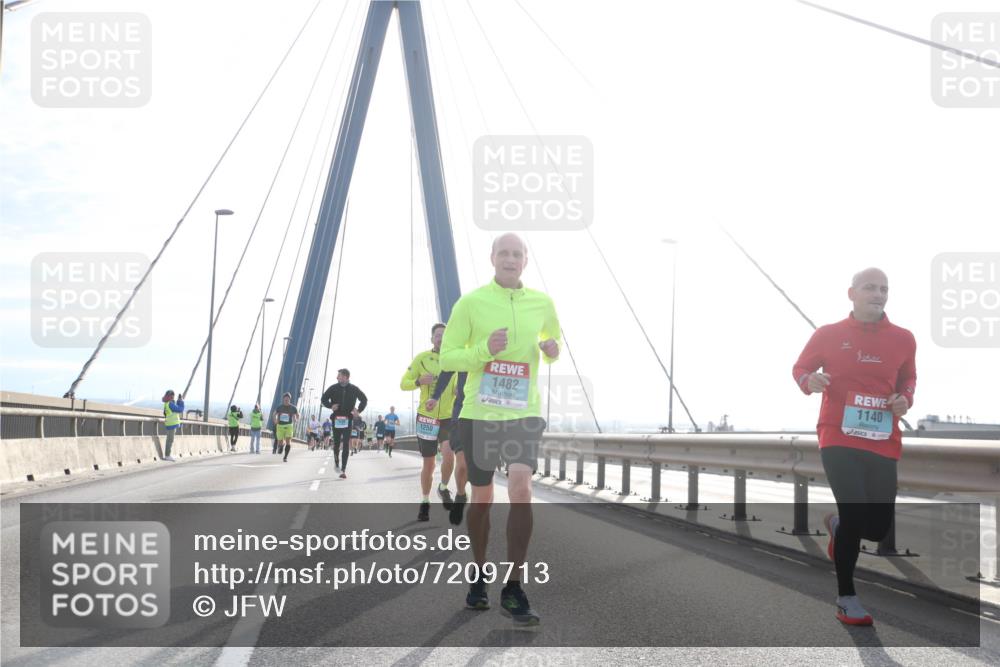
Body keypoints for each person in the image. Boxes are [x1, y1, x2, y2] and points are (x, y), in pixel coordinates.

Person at [440, 233, 560, 626]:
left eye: (517, 254)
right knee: (483, 497)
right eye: (504, 253)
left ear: (526, 260)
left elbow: (552, 342)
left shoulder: (542, 303)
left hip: (524, 413)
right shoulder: (471, 303)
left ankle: (514, 586)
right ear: (492, 258)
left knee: (522, 489)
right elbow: (448, 357)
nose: (510, 259)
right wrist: (484, 351)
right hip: (480, 413)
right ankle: (478, 575)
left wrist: (552, 351)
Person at [792, 267, 916, 627]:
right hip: (838, 436)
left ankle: (838, 526)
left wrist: (905, 399)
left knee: (876, 528)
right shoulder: (828, 334)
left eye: (884, 289)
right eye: (870, 288)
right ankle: (847, 599)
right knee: (856, 511)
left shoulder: (904, 338)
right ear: (852, 293)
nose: (878, 294)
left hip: (882, 439)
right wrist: (810, 380)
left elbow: (909, 378)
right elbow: (800, 368)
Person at [401, 323, 458, 521]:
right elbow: (403, 384)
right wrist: (418, 382)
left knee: (449, 455)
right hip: (427, 416)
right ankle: (425, 502)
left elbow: (461, 387)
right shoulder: (422, 358)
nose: (441, 338)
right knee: (429, 463)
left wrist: (459, 391)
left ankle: (443, 487)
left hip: (448, 417)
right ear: (432, 338)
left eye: (445, 335)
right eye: (438, 335)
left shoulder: (456, 360)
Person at [431, 371, 469, 525]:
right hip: (459, 415)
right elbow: (447, 374)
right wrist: (434, 396)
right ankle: (459, 494)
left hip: (487, 415)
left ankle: (480, 524)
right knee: (461, 464)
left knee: (482, 471)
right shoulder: (457, 358)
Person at [320, 368, 368, 478]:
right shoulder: (333, 388)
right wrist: (330, 406)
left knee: (346, 443)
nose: (337, 377)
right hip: (336, 419)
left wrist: (358, 410)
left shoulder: (354, 389)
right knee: (336, 444)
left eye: (339, 376)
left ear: (345, 377)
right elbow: (323, 399)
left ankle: (343, 469)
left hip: (348, 419)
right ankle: (336, 462)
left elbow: (364, 399)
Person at [272, 392, 299, 462]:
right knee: (280, 442)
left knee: (288, 441)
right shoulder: (279, 407)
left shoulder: (293, 408)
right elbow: (274, 414)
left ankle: (285, 457)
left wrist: (296, 419)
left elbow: (297, 414)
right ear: (283, 399)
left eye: (287, 399)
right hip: (280, 426)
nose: (286, 401)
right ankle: (281, 445)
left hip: (289, 426)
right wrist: (275, 420)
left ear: (290, 399)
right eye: (285, 399)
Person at [161, 390, 184, 462]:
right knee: (170, 440)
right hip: (172, 424)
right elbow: (180, 409)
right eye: (173, 395)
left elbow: (169, 411)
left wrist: (178, 402)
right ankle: (167, 455)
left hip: (169, 423)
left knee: (169, 440)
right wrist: (181, 401)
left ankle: (167, 455)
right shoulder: (170, 404)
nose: (173, 397)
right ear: (171, 396)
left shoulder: (167, 403)